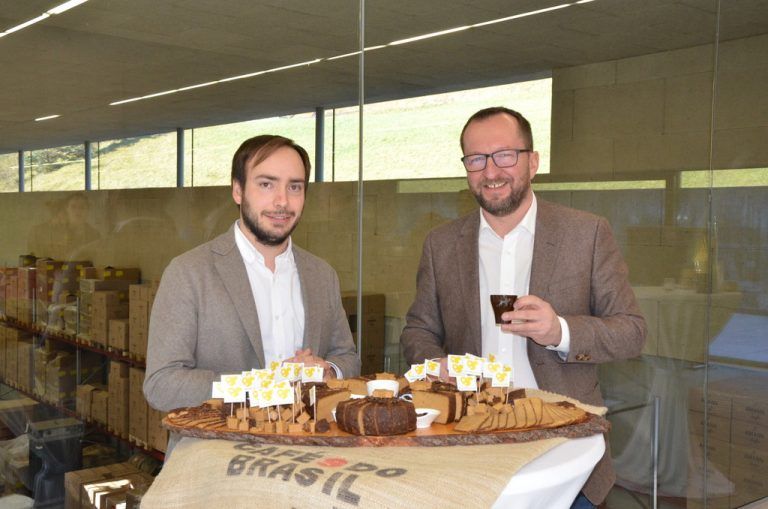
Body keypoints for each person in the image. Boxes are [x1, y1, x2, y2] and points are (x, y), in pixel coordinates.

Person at [400, 107, 646, 507]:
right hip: (468, 443)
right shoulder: (441, 244)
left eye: (505, 155)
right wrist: (433, 363)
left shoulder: (587, 233)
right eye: (476, 159)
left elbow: (632, 331)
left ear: (533, 162)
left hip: (563, 446)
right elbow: (418, 330)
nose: (491, 170)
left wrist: (560, 332)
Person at [144, 135, 360, 450]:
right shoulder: (189, 272)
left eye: (295, 187)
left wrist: (327, 370)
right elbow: (162, 385)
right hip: (216, 465)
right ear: (238, 190)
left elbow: (348, 359)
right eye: (266, 184)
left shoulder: (322, 275)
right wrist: (263, 387)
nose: (282, 202)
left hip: (306, 459)